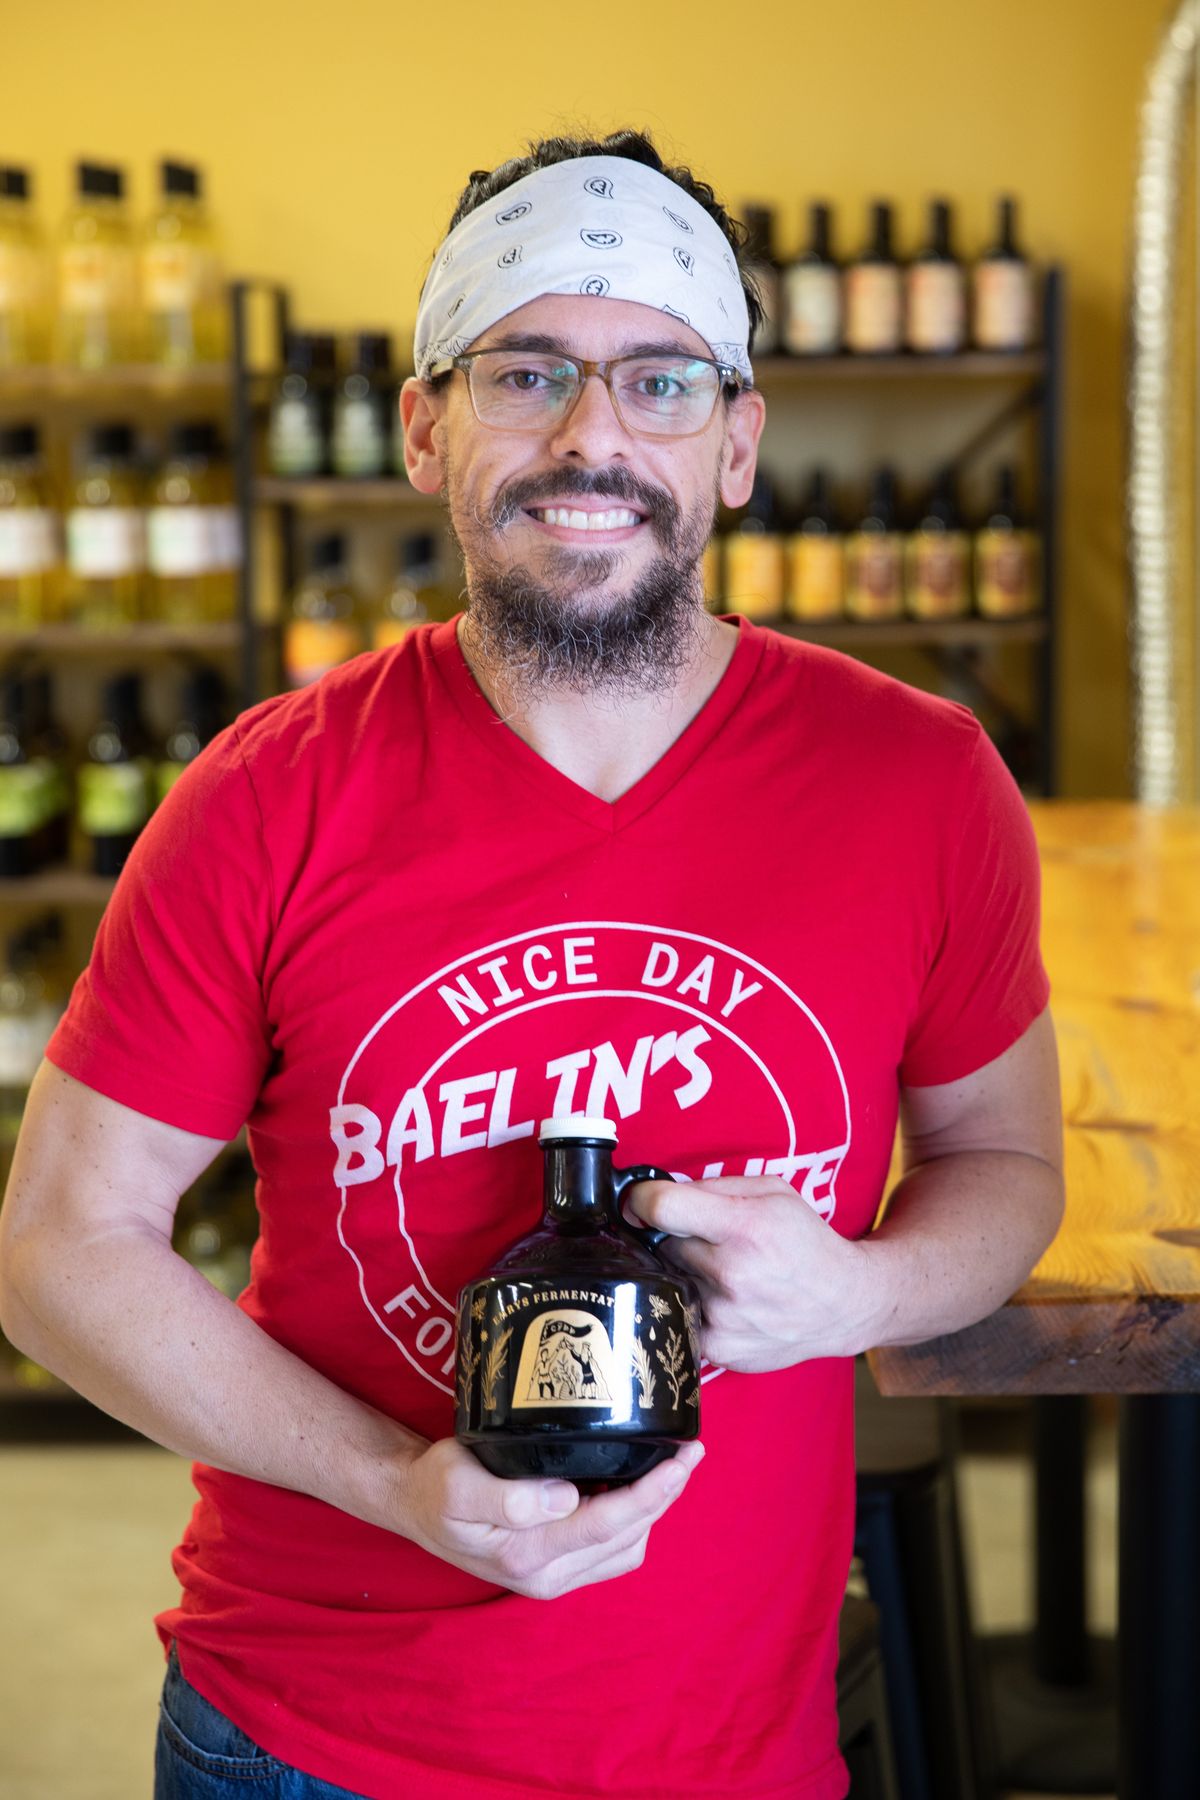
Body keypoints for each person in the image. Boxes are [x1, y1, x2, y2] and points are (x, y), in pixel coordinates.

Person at [0, 128, 1064, 1800]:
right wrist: (389, 1483)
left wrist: (863, 1292)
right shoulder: (266, 795)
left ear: (737, 446)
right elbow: (62, 1246)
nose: (592, 437)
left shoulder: (921, 780)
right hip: (310, 1744)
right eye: (527, 373)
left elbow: (1006, 1166)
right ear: (425, 429)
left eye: (660, 381)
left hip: (731, 1751)